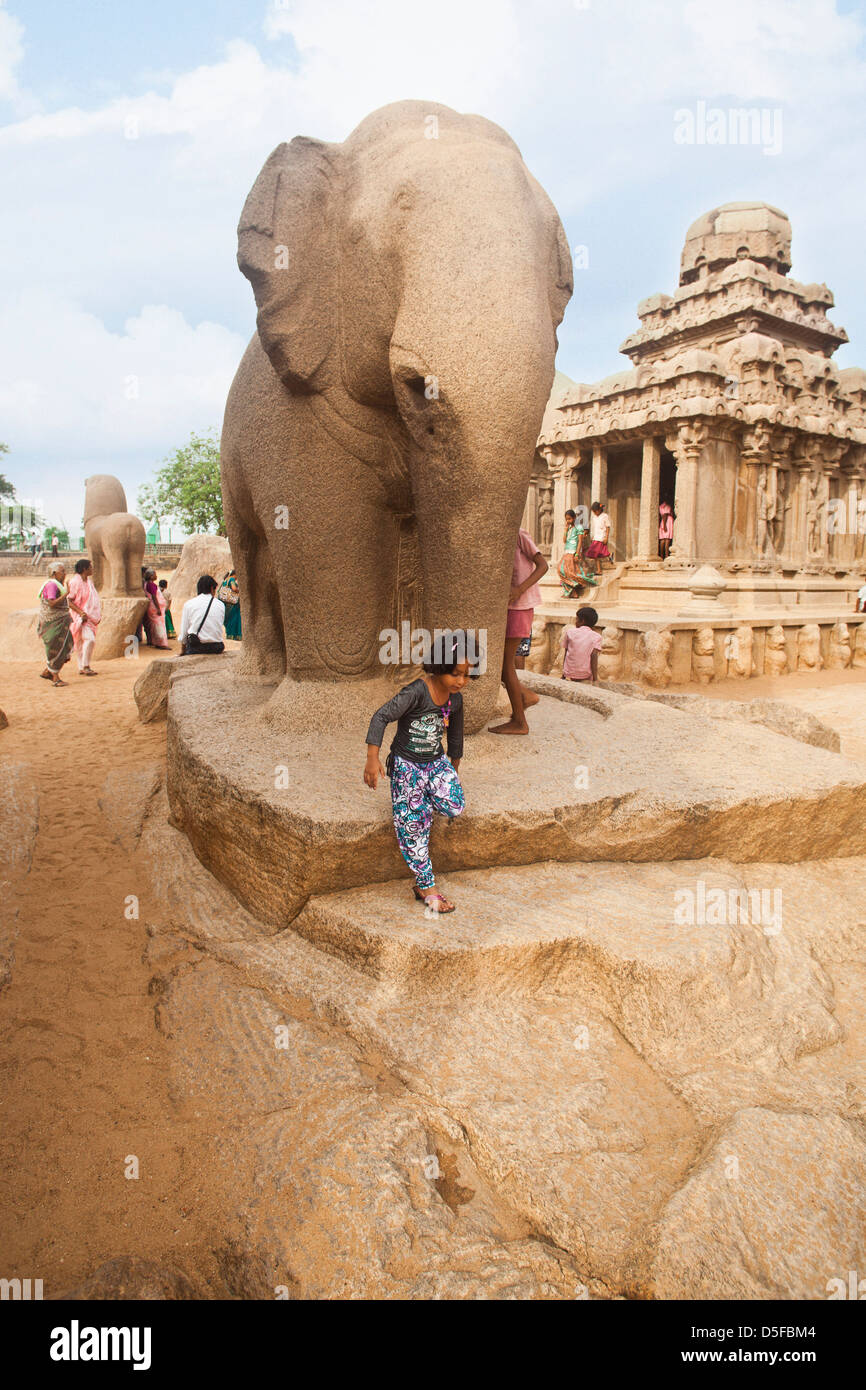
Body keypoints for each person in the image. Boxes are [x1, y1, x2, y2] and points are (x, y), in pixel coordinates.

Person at [364, 633, 471, 914]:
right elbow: (381, 716)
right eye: (455, 674)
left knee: (455, 805)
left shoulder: (456, 699)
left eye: (466, 676)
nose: (460, 681)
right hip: (407, 764)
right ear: (438, 667)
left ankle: (416, 799)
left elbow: (456, 737)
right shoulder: (415, 692)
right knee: (415, 823)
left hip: (434, 762)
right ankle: (426, 885)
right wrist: (372, 759)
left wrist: (452, 771)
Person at [490, 528, 548, 736]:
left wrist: (519, 589)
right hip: (511, 606)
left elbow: (543, 566)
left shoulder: (519, 534)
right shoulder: (500, 536)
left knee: (506, 664)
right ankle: (525, 697)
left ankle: (520, 722)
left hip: (520, 606)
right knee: (498, 664)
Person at [37, 561, 77, 686]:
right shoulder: (52, 585)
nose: (65, 574)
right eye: (62, 571)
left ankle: (48, 671)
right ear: (54, 573)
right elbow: (52, 603)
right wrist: (67, 593)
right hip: (53, 623)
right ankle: (55, 677)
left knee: (67, 645)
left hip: (59, 623)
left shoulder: (56, 585)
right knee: (56, 648)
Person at [67, 557, 102, 676]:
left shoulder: (89, 582)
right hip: (79, 617)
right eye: (90, 567)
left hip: (89, 617)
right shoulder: (75, 582)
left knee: (83, 643)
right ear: (84, 569)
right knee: (89, 640)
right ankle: (85, 666)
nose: (92, 569)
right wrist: (81, 613)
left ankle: (82, 666)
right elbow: (69, 601)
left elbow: (93, 600)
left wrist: (94, 614)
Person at [179, 575, 226, 655]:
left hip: (197, 647)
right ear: (212, 588)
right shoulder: (220, 604)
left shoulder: (189, 604)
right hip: (217, 646)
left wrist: (183, 651)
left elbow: (184, 632)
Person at [558, 508, 596, 597]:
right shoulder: (569, 528)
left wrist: (577, 554)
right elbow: (564, 540)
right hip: (567, 551)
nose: (568, 521)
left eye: (569, 519)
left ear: (574, 518)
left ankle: (573, 591)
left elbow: (580, 541)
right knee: (562, 570)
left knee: (568, 572)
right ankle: (571, 591)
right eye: (566, 519)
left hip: (573, 551)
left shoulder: (579, 527)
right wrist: (565, 530)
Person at [560, 606, 602, 684]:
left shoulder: (570, 632)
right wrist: (595, 679)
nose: (575, 621)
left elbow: (566, 653)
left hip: (569, 672)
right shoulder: (597, 637)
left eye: (576, 619)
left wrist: (563, 674)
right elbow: (594, 656)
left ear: (582, 621)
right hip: (585, 674)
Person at [142, 566, 170, 648]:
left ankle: (155, 641)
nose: (156, 576)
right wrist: (158, 608)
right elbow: (154, 597)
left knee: (154, 625)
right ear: (151, 576)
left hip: (152, 607)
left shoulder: (147, 584)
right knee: (159, 625)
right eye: (155, 575)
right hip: (155, 607)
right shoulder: (151, 585)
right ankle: (162, 643)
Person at [586, 502, 612, 577]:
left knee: (596, 554)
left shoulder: (604, 516)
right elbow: (594, 528)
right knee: (596, 555)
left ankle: (600, 569)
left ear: (599, 510)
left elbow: (607, 527)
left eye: (595, 511)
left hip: (601, 537)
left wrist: (606, 537)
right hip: (596, 537)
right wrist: (592, 536)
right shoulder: (594, 517)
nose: (594, 513)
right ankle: (599, 569)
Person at [219, 568, 242, 641]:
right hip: (232, 603)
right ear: (235, 574)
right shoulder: (231, 580)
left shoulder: (226, 580)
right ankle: (236, 635)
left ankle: (230, 634)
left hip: (226, 603)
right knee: (235, 618)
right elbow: (234, 588)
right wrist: (240, 590)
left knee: (229, 619)